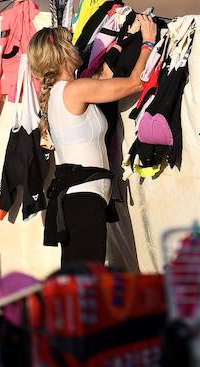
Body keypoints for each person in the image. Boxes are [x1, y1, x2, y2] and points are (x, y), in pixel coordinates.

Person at [27, 14, 158, 265]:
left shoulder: (66, 91)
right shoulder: (74, 90)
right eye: (71, 43)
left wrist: (123, 40)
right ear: (62, 53)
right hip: (83, 199)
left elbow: (104, 82)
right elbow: (136, 83)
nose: (78, 47)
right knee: (85, 279)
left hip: (82, 197)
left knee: (80, 276)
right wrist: (148, 43)